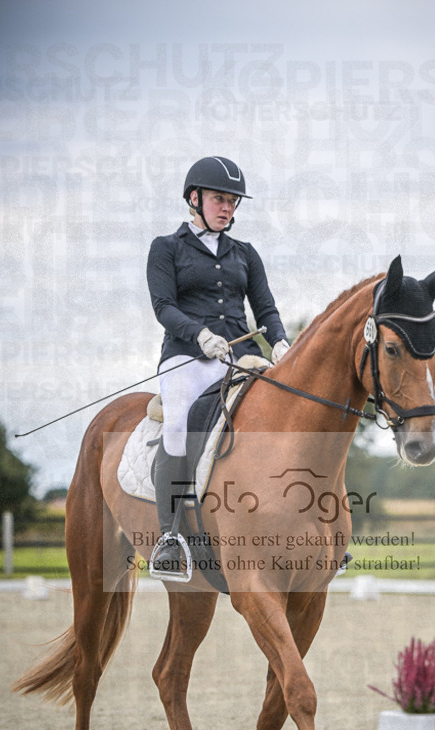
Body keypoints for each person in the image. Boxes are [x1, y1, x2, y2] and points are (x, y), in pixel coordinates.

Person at [146, 156, 290, 577]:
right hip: (186, 357)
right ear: (195, 198)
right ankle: (169, 536)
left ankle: (307, 526)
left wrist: (280, 342)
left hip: (238, 357)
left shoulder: (245, 253)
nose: (227, 207)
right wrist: (199, 335)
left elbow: (265, 308)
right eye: (219, 199)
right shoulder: (167, 248)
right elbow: (163, 306)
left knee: (287, 415)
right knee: (178, 424)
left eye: (232, 201)